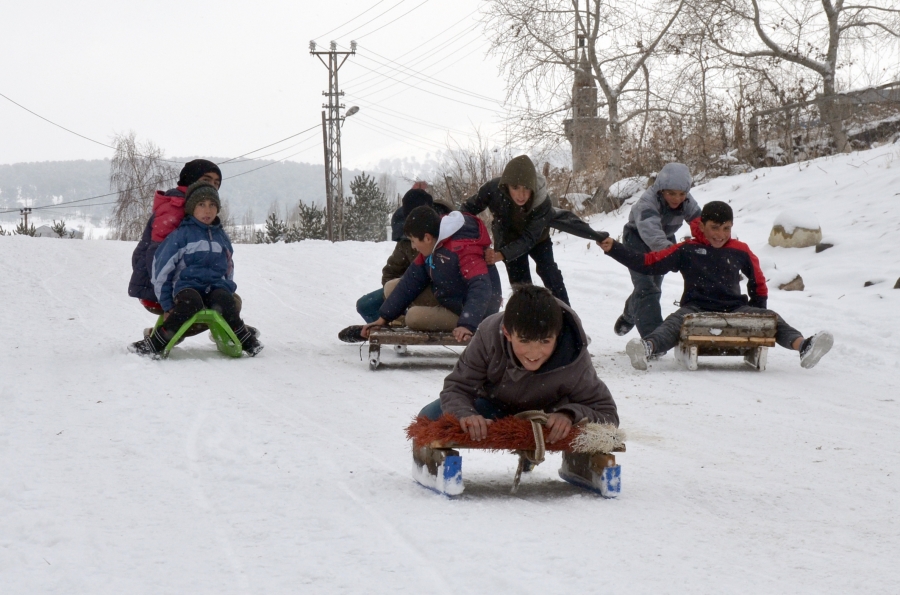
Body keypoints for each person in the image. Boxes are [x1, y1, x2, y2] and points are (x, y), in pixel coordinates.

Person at [598, 201, 833, 370]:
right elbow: (648, 263)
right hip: (695, 308)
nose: (720, 234)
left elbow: (758, 281)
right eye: (715, 228)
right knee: (674, 323)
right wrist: (614, 248)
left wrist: (758, 312)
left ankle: (804, 346)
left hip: (734, 308)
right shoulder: (686, 250)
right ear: (702, 226)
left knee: (771, 318)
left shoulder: (739, 250)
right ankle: (646, 348)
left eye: (726, 228)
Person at [418, 285, 618, 443]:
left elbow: (608, 415)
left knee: (589, 427)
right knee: (428, 417)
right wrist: (466, 414)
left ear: (557, 335)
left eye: (545, 342)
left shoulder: (574, 357)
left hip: (546, 416)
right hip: (493, 406)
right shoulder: (489, 334)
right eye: (524, 341)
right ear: (507, 332)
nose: (534, 353)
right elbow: (457, 387)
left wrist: (569, 414)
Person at [128, 181, 263, 358]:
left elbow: (229, 266)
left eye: (212, 205)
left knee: (226, 301)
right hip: (187, 287)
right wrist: (167, 305)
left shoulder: (221, 236)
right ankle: (157, 342)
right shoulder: (181, 235)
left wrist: (227, 286)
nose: (207, 210)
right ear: (192, 208)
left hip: (214, 286)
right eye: (201, 204)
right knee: (190, 303)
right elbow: (162, 270)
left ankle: (243, 338)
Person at [460, 155, 607, 306]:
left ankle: (566, 318)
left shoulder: (542, 202)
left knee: (550, 274)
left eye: (526, 188)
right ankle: (527, 322)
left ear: (533, 187)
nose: (521, 195)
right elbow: (466, 210)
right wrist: (470, 237)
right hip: (508, 239)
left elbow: (529, 238)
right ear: (506, 186)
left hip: (538, 239)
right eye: (515, 188)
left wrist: (501, 255)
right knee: (522, 287)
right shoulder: (492, 189)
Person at [360, 205, 502, 343]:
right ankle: (398, 320)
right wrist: (383, 318)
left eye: (413, 241)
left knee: (413, 317)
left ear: (427, 238)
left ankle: (408, 321)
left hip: (476, 311)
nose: (413, 246)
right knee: (391, 287)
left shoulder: (462, 249)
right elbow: (411, 280)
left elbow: (481, 288)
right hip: (449, 295)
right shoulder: (434, 244)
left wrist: (467, 324)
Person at [338, 186, 453, 342]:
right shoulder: (406, 240)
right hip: (412, 289)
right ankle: (386, 326)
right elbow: (391, 271)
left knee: (416, 316)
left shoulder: (449, 233)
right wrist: (400, 300)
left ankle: (400, 327)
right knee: (366, 305)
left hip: (443, 294)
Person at [614, 162, 702, 340]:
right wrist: (676, 253)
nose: (676, 198)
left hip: (666, 238)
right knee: (647, 289)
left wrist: (707, 246)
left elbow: (700, 224)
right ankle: (654, 339)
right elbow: (652, 235)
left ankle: (629, 315)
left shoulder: (687, 201)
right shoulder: (647, 203)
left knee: (654, 286)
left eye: (681, 194)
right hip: (637, 240)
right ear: (661, 190)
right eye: (671, 193)